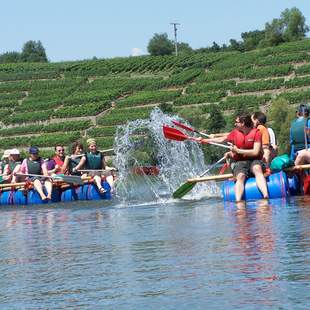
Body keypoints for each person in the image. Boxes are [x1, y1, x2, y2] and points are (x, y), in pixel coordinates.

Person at [204, 113, 268, 202]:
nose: (235, 124)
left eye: (236, 122)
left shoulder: (256, 133)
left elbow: (255, 152)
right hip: (241, 162)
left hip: (255, 160)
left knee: (257, 169)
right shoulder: (235, 133)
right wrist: (205, 140)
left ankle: (265, 196)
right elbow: (222, 139)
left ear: (243, 123)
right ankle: (238, 201)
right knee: (241, 176)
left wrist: (238, 151)